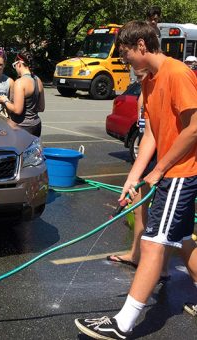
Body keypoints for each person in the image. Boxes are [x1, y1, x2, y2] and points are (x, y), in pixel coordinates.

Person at [75, 20, 197, 339]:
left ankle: (123, 323)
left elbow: (194, 128)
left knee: (153, 241)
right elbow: (154, 133)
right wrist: (133, 177)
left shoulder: (177, 74)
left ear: (141, 45)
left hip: (182, 173)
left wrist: (158, 170)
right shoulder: (149, 81)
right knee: (182, 240)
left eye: (127, 53)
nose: (125, 61)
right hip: (169, 171)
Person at [106, 68, 170, 284]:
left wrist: (159, 168)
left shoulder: (162, 86)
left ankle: (161, 267)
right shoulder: (145, 90)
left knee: (171, 221)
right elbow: (146, 134)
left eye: (140, 74)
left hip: (165, 158)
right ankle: (135, 254)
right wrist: (136, 172)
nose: (135, 76)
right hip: (149, 154)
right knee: (138, 201)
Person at [0, 50, 45, 137]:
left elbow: (17, 110)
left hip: (22, 127)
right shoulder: (38, 80)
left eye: (14, 66)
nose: (15, 68)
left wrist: (5, 101)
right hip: (36, 125)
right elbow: (41, 107)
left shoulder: (20, 82)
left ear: (19, 64)